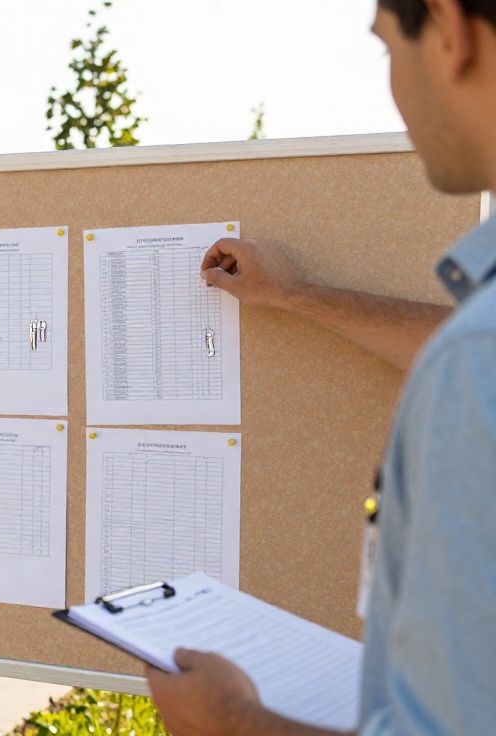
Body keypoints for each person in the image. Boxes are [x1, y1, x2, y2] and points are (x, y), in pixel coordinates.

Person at [146, 1, 496, 733]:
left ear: (449, 31)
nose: (394, 88)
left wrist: (229, 720)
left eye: (385, 52)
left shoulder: (474, 363)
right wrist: (295, 295)